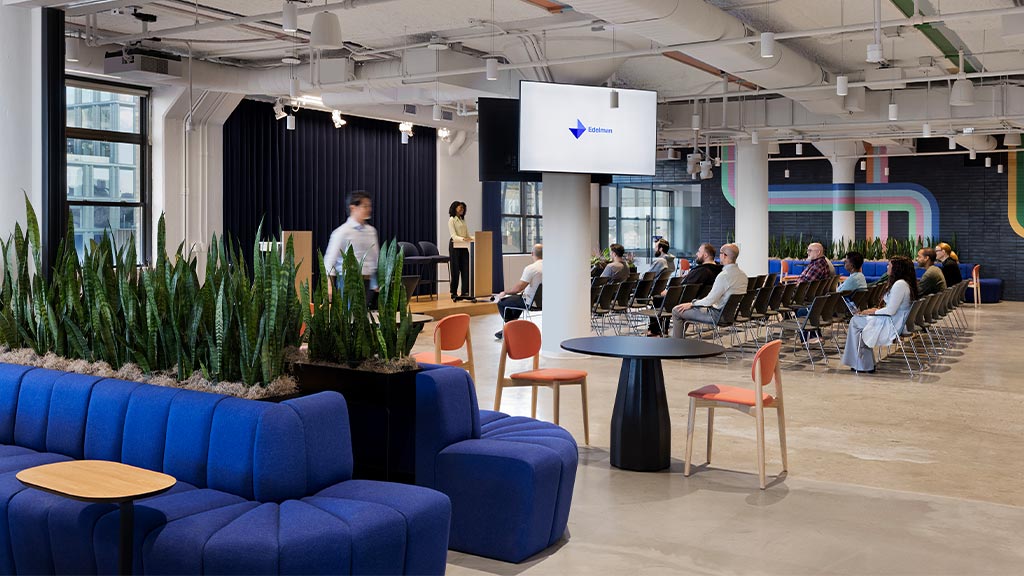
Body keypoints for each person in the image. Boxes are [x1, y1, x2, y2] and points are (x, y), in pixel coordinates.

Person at [842, 256, 918, 373]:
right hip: (894, 320)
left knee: (855, 321)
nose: (887, 267)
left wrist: (873, 312)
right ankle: (863, 363)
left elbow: (891, 310)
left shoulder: (900, 284)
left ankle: (863, 364)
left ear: (897, 268)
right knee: (857, 320)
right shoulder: (905, 283)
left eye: (889, 265)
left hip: (892, 323)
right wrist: (875, 310)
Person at [670, 243, 747, 339]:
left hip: (716, 315)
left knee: (677, 311)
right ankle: (681, 342)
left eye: (721, 253)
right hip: (730, 315)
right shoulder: (743, 276)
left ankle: (676, 344)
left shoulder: (724, 276)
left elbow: (709, 301)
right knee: (684, 309)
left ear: (725, 255)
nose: (719, 256)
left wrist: (692, 303)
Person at [648, 242, 720, 336]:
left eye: (699, 251)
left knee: (658, 298)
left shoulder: (702, 271)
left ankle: (655, 330)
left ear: (705, 255)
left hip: (686, 300)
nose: (697, 254)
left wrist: (669, 292)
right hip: (699, 299)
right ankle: (663, 329)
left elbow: (686, 287)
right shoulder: (717, 270)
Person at [324, 190, 380, 309]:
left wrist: (376, 282)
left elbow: (375, 259)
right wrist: (329, 285)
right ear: (353, 208)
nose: (368, 209)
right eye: (365, 206)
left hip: (368, 282)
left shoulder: (371, 231)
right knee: (351, 319)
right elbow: (329, 261)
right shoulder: (341, 232)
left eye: (369, 206)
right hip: (348, 283)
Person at [495, 243, 543, 339]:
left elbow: (519, 288)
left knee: (502, 302)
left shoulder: (532, 268)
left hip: (531, 302)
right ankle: (512, 327)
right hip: (545, 303)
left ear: (532, 253)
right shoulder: (552, 267)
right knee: (516, 302)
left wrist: (505, 292)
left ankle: (510, 329)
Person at [447, 201, 471, 301]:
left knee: (466, 269)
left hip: (464, 245)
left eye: (463, 208)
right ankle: (454, 292)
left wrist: (472, 238)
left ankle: (465, 292)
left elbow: (467, 234)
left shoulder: (462, 220)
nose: (462, 210)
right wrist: (462, 239)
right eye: (460, 208)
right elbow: (453, 235)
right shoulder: (452, 220)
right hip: (455, 245)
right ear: (455, 208)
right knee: (455, 270)